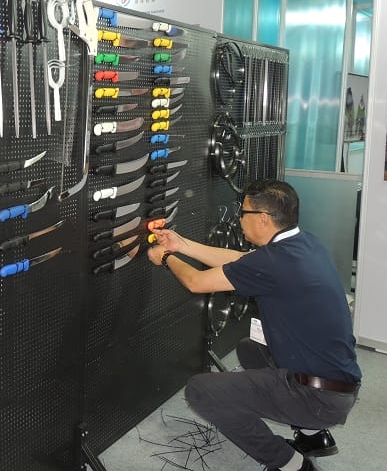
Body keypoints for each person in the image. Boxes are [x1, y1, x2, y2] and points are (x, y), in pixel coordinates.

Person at [147, 179, 361, 471]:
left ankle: (290, 464)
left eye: (243, 213)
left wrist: (166, 257)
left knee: (200, 390)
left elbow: (196, 282)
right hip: (339, 383)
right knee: (250, 349)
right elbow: (239, 260)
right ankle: (313, 437)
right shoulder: (305, 244)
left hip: (319, 397)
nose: (239, 219)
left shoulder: (274, 261)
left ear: (263, 218)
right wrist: (181, 245)